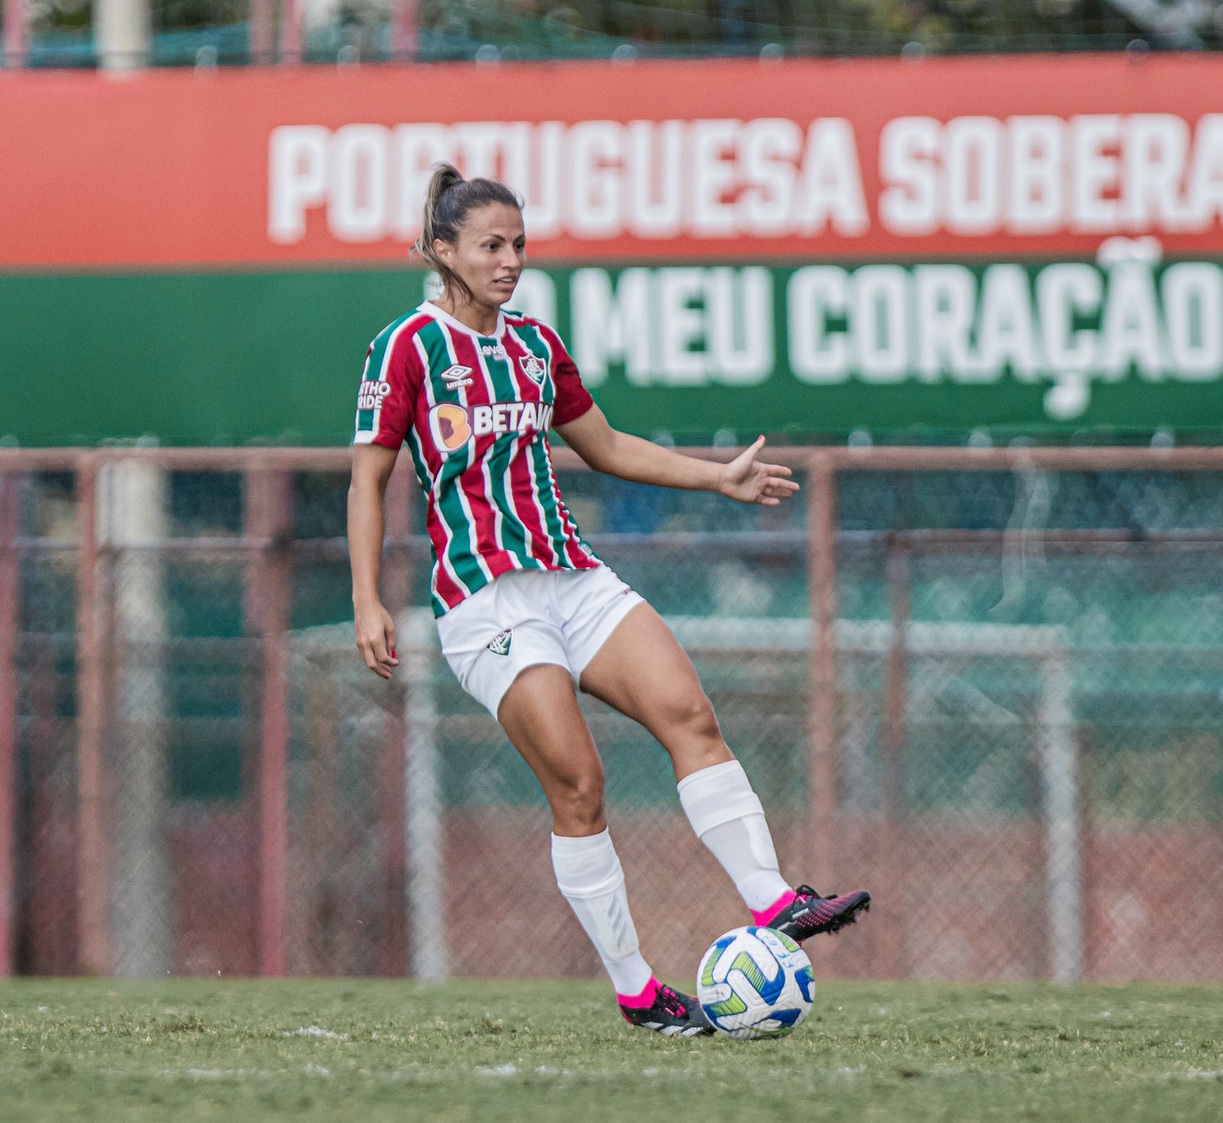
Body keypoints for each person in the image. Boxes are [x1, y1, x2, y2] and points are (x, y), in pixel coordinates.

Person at [349, 164, 870, 1037]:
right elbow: (368, 481)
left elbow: (608, 444)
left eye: (519, 243)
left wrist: (720, 480)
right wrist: (367, 596)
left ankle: (777, 902)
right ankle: (637, 989)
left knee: (689, 713)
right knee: (580, 784)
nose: (510, 260)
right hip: (486, 603)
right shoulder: (406, 347)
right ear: (444, 250)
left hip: (574, 577)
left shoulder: (535, 344)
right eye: (490, 245)